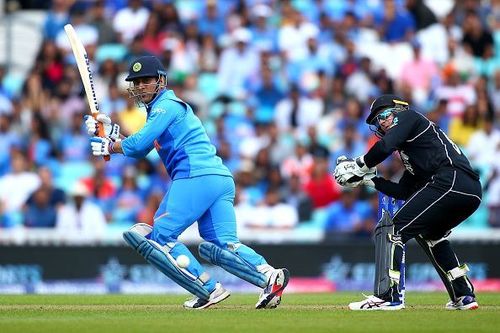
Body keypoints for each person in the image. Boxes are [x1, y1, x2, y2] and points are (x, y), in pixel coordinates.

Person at [84, 55, 289, 310]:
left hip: (195, 176)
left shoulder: (166, 105)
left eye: (146, 80)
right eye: (135, 82)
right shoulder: (161, 111)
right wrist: (111, 131)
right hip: (219, 178)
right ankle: (270, 277)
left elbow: (136, 148)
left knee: (160, 236)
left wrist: (110, 146)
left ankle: (208, 288)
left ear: (161, 80)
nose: (140, 86)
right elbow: (144, 146)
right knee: (223, 245)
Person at [334, 94, 481, 311]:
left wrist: (359, 165)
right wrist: (369, 180)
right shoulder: (412, 150)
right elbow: (404, 191)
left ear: (398, 109)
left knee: (393, 228)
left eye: (384, 115)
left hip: (452, 180)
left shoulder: (410, 117)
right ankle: (463, 295)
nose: (381, 122)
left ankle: (388, 296)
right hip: (467, 190)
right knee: (431, 234)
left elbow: (384, 147)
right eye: (377, 121)